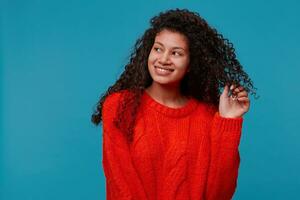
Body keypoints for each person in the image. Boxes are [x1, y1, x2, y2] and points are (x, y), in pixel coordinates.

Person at [91, 8, 257, 200]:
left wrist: (228, 121)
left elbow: (219, 194)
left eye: (176, 53)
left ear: (191, 65)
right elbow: (121, 185)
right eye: (158, 48)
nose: (163, 59)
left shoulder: (208, 117)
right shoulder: (120, 106)